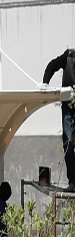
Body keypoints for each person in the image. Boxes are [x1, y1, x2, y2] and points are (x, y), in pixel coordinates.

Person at [43, 48, 75, 191]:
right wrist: (45, 82)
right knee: (68, 143)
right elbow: (52, 65)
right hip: (68, 107)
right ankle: (73, 181)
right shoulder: (68, 56)